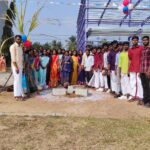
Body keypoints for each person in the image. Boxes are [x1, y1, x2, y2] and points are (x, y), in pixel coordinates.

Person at [128, 36, 143, 101]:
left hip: (139, 68)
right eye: (133, 40)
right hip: (132, 68)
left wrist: (142, 69)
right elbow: (130, 60)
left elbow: (143, 58)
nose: (135, 41)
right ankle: (133, 95)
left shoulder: (141, 48)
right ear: (132, 41)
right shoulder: (130, 49)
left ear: (138, 41)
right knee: (132, 83)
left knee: (139, 83)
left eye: (136, 40)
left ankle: (140, 96)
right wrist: (128, 68)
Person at [10, 35, 24, 100]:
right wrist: (16, 67)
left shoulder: (20, 47)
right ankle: (16, 95)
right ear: (15, 39)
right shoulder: (13, 47)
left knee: (19, 80)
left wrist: (22, 67)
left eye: (19, 39)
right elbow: (13, 58)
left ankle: (20, 94)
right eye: (17, 39)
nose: (19, 40)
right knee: (17, 80)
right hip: (16, 66)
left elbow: (21, 58)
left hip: (20, 66)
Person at [140, 36, 150, 106]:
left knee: (148, 86)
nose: (145, 41)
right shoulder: (143, 49)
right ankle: (145, 99)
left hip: (147, 71)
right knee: (144, 86)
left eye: (146, 40)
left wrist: (149, 71)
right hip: (142, 71)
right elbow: (142, 61)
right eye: (143, 40)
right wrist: (140, 71)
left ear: (148, 40)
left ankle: (149, 101)